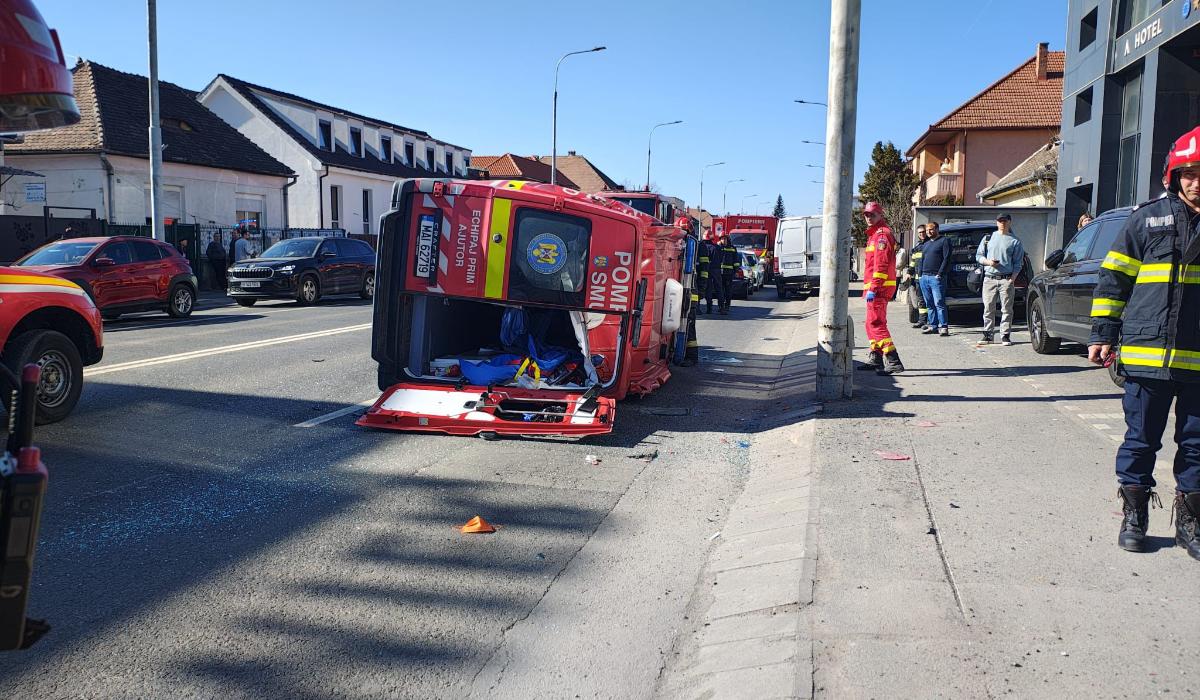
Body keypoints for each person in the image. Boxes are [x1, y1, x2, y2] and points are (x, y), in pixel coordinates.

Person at [1089, 125, 1200, 562]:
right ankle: (1134, 517)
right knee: (1140, 441)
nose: (1197, 182)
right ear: (1174, 175)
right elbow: (1113, 278)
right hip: (1146, 355)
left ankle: (1190, 522)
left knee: (1196, 445)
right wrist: (1103, 333)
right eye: (1190, 173)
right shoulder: (1146, 219)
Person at [860, 201, 903, 374]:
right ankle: (876, 357)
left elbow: (881, 265)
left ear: (880, 215)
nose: (869, 218)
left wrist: (874, 287)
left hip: (879, 287)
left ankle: (893, 360)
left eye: (872, 215)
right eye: (866, 215)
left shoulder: (882, 235)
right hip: (875, 287)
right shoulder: (874, 235)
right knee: (870, 324)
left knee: (876, 323)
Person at [975, 213, 1025, 347]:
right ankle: (988, 335)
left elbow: (1018, 262)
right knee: (988, 308)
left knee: (1006, 309)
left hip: (1006, 279)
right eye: (1000, 221)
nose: (1002, 223)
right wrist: (989, 262)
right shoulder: (988, 238)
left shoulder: (1015, 241)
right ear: (996, 222)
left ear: (1009, 222)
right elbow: (978, 256)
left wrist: (1012, 279)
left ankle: (1005, 335)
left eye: (1005, 221)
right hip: (989, 278)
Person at [918, 221, 951, 336]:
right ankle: (933, 326)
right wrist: (920, 275)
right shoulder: (926, 244)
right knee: (929, 304)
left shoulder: (944, 241)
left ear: (937, 229)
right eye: (927, 230)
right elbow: (922, 259)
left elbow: (946, 258)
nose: (928, 232)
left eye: (931, 229)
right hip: (924, 277)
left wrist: (940, 274)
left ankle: (944, 327)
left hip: (936, 278)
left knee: (939, 303)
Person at [908, 225, 929, 328]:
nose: (922, 234)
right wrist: (909, 272)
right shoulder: (917, 246)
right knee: (921, 300)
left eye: (923, 232)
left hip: (928, 277)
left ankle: (932, 322)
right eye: (920, 232)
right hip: (918, 278)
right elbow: (913, 262)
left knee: (929, 300)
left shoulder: (930, 244)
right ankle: (922, 321)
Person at [716, 234, 739, 315]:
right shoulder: (718, 247)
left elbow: (736, 260)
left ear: (728, 239)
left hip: (729, 273)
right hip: (720, 273)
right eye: (722, 239)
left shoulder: (732, 248)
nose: (724, 240)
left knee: (728, 290)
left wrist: (736, 271)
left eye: (725, 239)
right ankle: (720, 306)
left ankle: (727, 305)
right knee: (720, 290)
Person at [702, 233, 724, 314]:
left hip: (707, 270)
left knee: (708, 289)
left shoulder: (704, 247)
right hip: (717, 270)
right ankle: (721, 307)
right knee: (719, 288)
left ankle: (709, 308)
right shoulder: (717, 247)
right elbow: (721, 258)